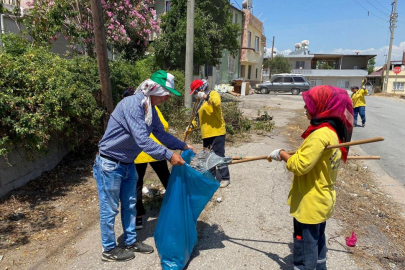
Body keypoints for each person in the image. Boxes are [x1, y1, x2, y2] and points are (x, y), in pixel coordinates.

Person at [93, 70, 194, 262]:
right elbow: (143, 140)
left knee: (131, 204)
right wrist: (168, 155)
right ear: (154, 90)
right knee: (110, 208)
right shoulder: (132, 104)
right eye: (165, 95)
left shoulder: (150, 109)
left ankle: (130, 241)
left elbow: (160, 134)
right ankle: (109, 249)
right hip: (110, 164)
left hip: (127, 163)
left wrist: (182, 145)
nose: (166, 99)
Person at [268, 85, 353, 270]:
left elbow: (299, 166)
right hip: (322, 200)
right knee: (317, 239)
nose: (305, 108)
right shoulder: (332, 132)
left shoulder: (319, 135)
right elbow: (309, 158)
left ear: (323, 106)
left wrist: (281, 154)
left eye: (309, 105)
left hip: (310, 202)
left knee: (305, 244)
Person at [185, 79, 231, 188]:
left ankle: (225, 178)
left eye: (196, 92)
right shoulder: (199, 103)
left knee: (218, 155)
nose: (195, 95)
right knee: (208, 157)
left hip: (217, 132)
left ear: (201, 89)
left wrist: (205, 96)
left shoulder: (213, 94)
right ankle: (211, 177)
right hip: (206, 134)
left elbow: (217, 103)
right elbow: (196, 119)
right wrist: (190, 126)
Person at [134, 105, 171, 230]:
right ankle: (176, 206)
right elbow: (164, 125)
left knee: (137, 184)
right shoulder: (151, 107)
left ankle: (138, 217)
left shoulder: (131, 110)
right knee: (166, 179)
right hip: (155, 150)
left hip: (137, 153)